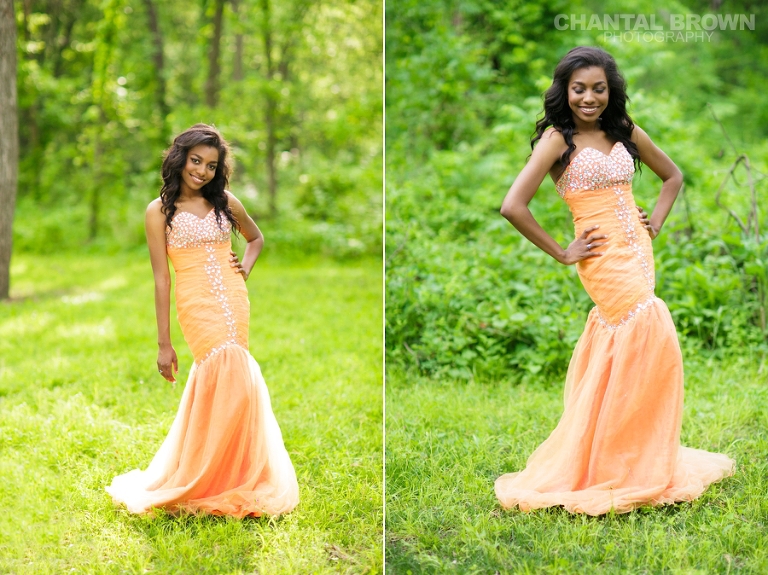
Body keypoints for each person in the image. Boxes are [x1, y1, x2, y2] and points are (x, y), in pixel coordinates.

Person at [494, 47, 734, 515]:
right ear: (565, 91)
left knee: (642, 339)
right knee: (647, 329)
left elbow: (672, 176)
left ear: (611, 90)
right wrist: (564, 252)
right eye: (579, 88)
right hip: (602, 258)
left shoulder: (623, 130)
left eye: (598, 88)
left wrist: (655, 224)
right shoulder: (556, 141)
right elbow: (512, 206)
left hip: (637, 250)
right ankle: (614, 462)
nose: (589, 98)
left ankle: (632, 454)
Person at [106, 124, 299, 517]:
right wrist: (164, 343)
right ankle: (201, 474)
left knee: (239, 380)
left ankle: (237, 475)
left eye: (211, 165)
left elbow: (256, 238)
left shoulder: (225, 201)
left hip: (232, 296)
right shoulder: (159, 211)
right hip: (195, 301)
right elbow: (162, 279)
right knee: (221, 371)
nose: (202, 171)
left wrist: (243, 267)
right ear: (180, 159)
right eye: (196, 161)